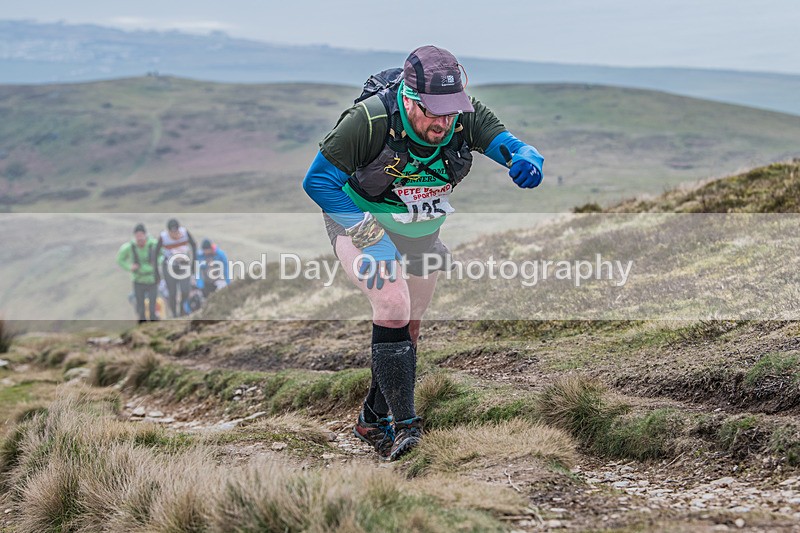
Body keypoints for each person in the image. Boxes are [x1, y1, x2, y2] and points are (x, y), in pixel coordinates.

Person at [302, 45, 544, 460]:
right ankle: (407, 431)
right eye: (434, 113)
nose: (445, 122)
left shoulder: (462, 115)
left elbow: (509, 144)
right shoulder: (369, 120)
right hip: (361, 221)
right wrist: (367, 235)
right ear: (410, 100)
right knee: (393, 306)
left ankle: (371, 420)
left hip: (420, 232)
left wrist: (526, 158)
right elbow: (318, 182)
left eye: (451, 112)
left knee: (409, 328)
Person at [116, 223, 161, 323]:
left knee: (153, 304)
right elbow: (119, 259)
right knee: (140, 306)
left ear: (145, 235)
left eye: (141, 236)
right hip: (138, 280)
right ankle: (142, 325)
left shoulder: (154, 244)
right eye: (137, 236)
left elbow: (163, 254)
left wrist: (158, 262)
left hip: (152, 279)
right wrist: (129, 267)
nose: (140, 239)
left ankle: (154, 323)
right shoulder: (129, 247)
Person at [154, 218, 197, 317]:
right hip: (169, 266)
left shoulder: (185, 233)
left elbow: (194, 245)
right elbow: (155, 254)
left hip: (183, 265)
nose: (174, 234)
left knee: (185, 290)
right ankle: (174, 314)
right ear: (168, 231)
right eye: (172, 232)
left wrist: (193, 264)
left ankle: (182, 309)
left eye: (176, 231)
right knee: (172, 293)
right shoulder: (163, 237)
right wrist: (156, 273)